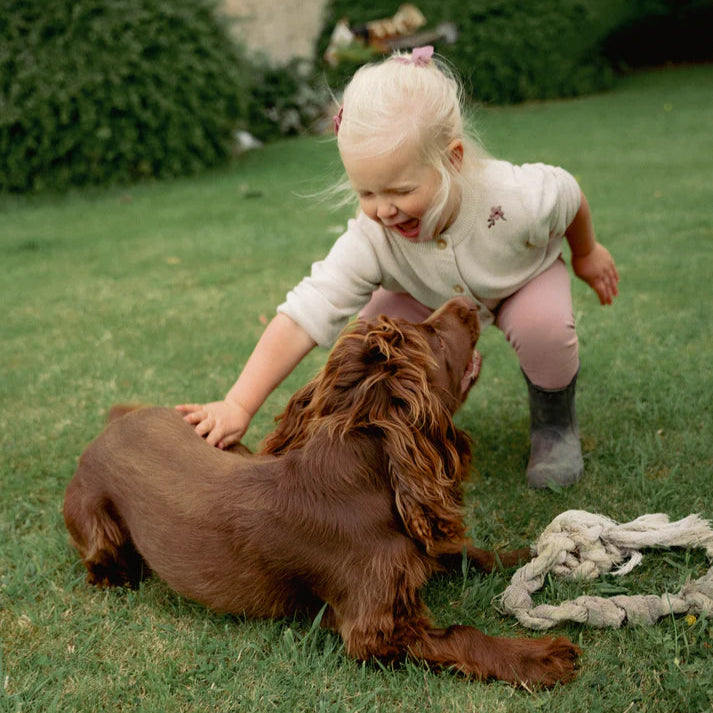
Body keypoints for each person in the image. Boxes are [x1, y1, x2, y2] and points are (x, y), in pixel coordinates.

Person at [177, 46, 619, 488]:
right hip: (424, 300)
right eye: (366, 193)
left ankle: (554, 427)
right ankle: (416, 425)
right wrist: (237, 404)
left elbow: (569, 195)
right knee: (373, 343)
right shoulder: (372, 238)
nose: (384, 210)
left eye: (400, 190)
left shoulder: (516, 198)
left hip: (523, 279)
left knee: (544, 326)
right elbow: (305, 313)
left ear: (453, 159)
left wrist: (586, 253)